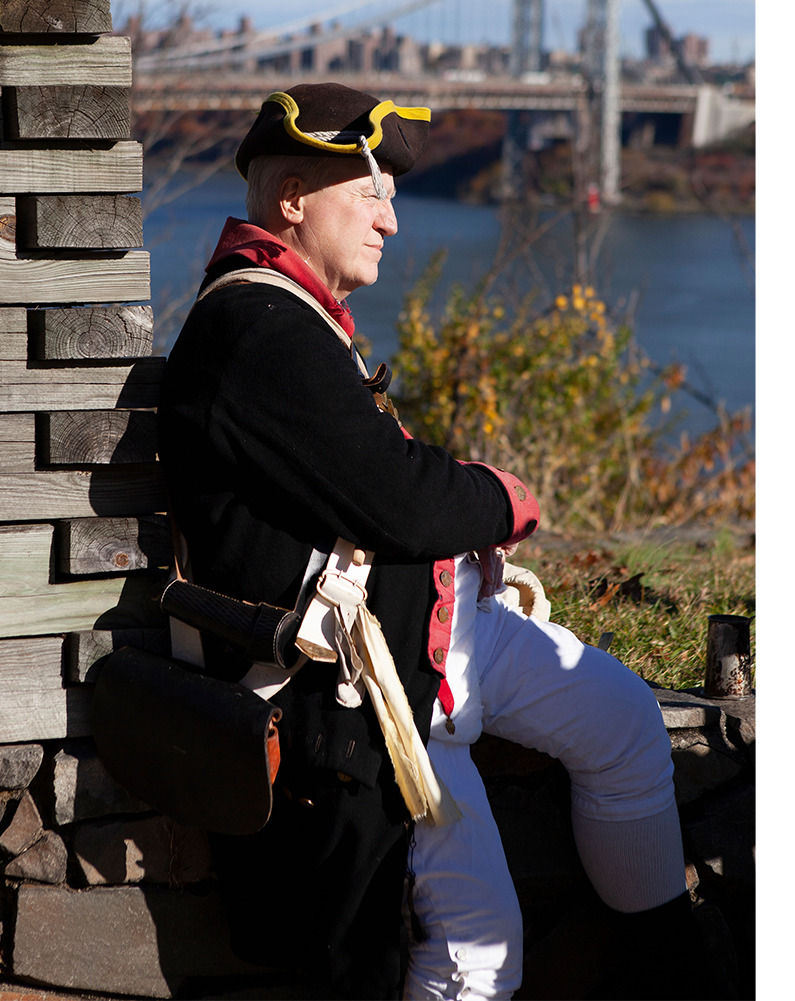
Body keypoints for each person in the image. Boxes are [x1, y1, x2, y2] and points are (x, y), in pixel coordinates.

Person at [157, 83, 717, 1001]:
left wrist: (456, 537)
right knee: (477, 954)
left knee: (622, 724)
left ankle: (675, 963)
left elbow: (369, 487)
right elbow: (400, 503)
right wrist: (503, 499)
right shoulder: (256, 330)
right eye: (371, 194)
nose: (392, 221)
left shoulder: (289, 319)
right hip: (364, 691)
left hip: (430, 635)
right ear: (292, 200)